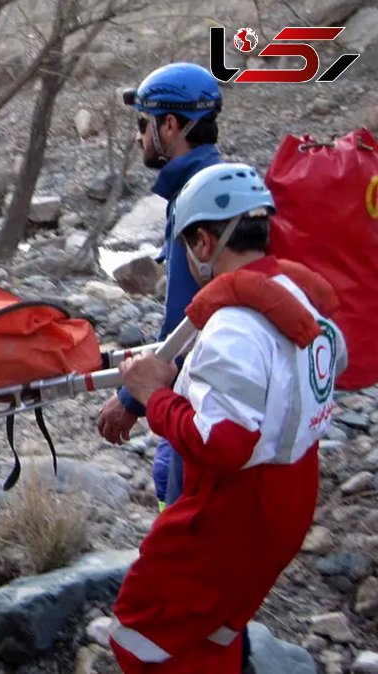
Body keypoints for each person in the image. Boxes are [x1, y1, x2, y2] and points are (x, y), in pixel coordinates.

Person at [108, 163, 347, 673]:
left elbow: (224, 444)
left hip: (235, 509)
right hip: (293, 491)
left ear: (201, 243)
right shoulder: (300, 297)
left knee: (139, 632)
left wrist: (154, 395)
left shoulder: (233, 327)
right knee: (217, 625)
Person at [99, 62, 225, 511]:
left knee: (177, 483)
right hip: (216, 378)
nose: (139, 137)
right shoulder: (215, 182)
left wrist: (130, 399)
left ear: (169, 125)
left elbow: (186, 315)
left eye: (143, 124)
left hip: (208, 384)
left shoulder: (195, 196)